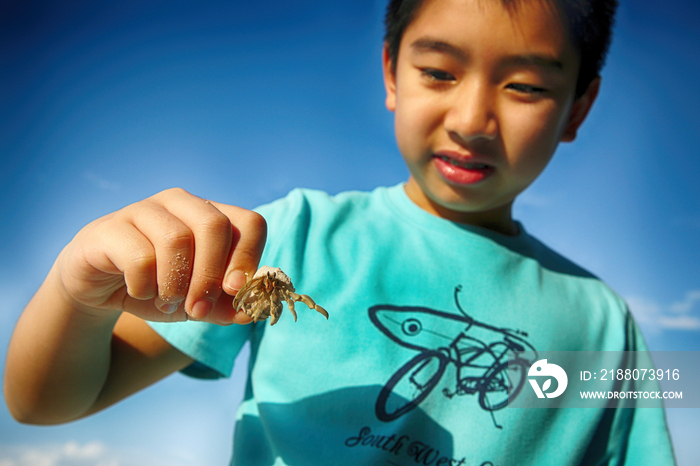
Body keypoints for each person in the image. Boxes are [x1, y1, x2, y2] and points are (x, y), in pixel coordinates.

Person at [4, 0, 676, 464]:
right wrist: (77, 290)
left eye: (526, 86)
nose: (472, 118)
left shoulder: (605, 326)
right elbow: (47, 401)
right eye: (439, 72)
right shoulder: (290, 237)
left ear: (577, 107)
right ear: (390, 72)